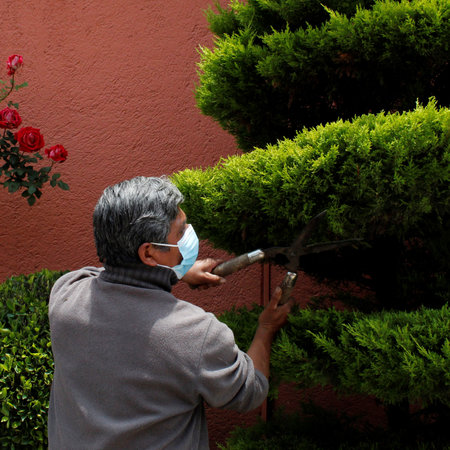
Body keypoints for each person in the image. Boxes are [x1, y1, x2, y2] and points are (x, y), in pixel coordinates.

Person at [48, 176, 292, 449]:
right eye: (180, 231)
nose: (189, 232)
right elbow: (251, 392)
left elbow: (109, 273)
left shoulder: (66, 295)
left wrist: (177, 272)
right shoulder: (196, 333)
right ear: (148, 254)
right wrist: (266, 329)